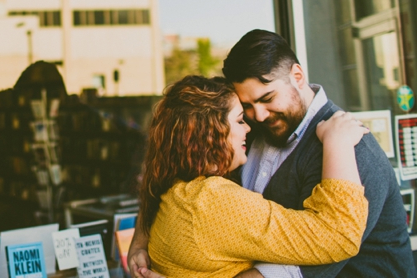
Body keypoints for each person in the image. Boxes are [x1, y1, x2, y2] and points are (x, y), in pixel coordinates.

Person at [129, 30, 415, 277]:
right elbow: (176, 172)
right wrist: (141, 239)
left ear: (298, 76)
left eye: (267, 99)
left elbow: (305, 268)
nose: (259, 115)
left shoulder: (349, 149)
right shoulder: (242, 132)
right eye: (247, 107)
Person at [137, 75, 368, 277]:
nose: (249, 127)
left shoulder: (176, 189)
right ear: (210, 135)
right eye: (239, 120)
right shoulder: (213, 202)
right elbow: (337, 237)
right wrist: (338, 143)